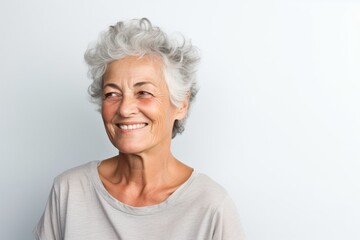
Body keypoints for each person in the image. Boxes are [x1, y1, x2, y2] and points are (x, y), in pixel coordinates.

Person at [33, 18, 246, 240]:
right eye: (112, 94)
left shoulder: (211, 206)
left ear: (181, 104)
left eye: (144, 92)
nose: (124, 109)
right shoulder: (69, 191)